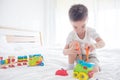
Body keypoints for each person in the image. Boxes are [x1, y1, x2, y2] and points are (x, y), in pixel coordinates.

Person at [63, 4, 105, 73]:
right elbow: (64, 51)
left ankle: (94, 66)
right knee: (73, 44)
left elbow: (103, 43)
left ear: (87, 19)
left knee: (95, 70)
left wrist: (94, 45)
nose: (79, 30)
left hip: (90, 56)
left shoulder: (90, 31)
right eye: (75, 27)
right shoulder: (71, 35)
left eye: (83, 26)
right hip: (78, 58)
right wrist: (69, 50)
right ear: (70, 22)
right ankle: (70, 66)